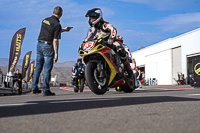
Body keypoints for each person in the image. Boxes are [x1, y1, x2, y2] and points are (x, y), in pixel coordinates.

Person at [32, 6, 73, 96]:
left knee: (38, 67)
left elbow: (51, 32)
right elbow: (55, 40)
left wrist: (64, 30)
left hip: (39, 44)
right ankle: (46, 90)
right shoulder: (57, 24)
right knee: (47, 69)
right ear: (61, 15)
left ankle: (34, 87)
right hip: (48, 46)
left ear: (53, 12)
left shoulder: (45, 20)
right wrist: (56, 54)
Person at [85, 8, 133, 78]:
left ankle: (128, 69)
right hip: (100, 44)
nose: (91, 20)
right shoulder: (92, 29)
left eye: (93, 18)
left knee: (119, 49)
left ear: (98, 16)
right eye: (90, 18)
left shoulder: (105, 24)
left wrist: (111, 38)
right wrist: (85, 42)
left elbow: (113, 30)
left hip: (111, 42)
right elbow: (88, 38)